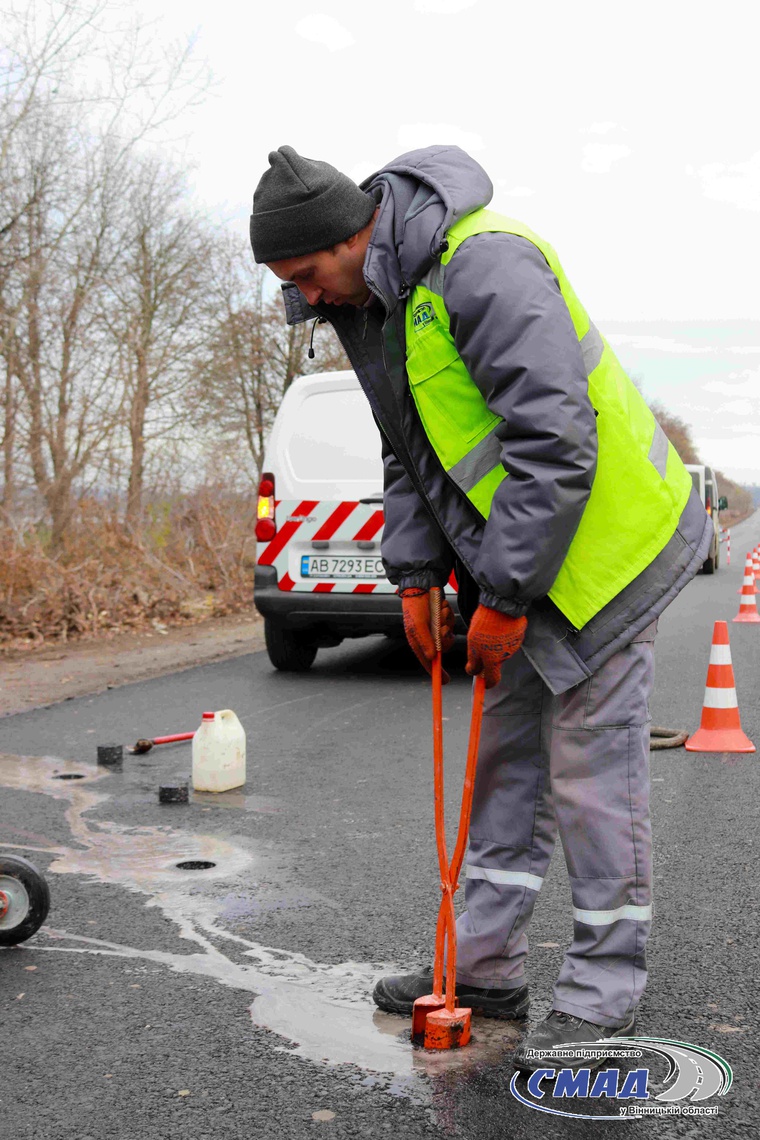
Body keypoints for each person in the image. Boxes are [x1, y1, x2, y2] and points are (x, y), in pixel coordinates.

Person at [249, 144, 712, 1071]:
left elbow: (554, 439)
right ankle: (485, 965)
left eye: (307, 275)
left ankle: (600, 991)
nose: (307, 299)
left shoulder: (483, 262)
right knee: (501, 767)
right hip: (536, 556)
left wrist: (499, 595)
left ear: (353, 236)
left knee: (590, 775)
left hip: (608, 554)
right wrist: (415, 577)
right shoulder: (380, 300)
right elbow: (411, 449)